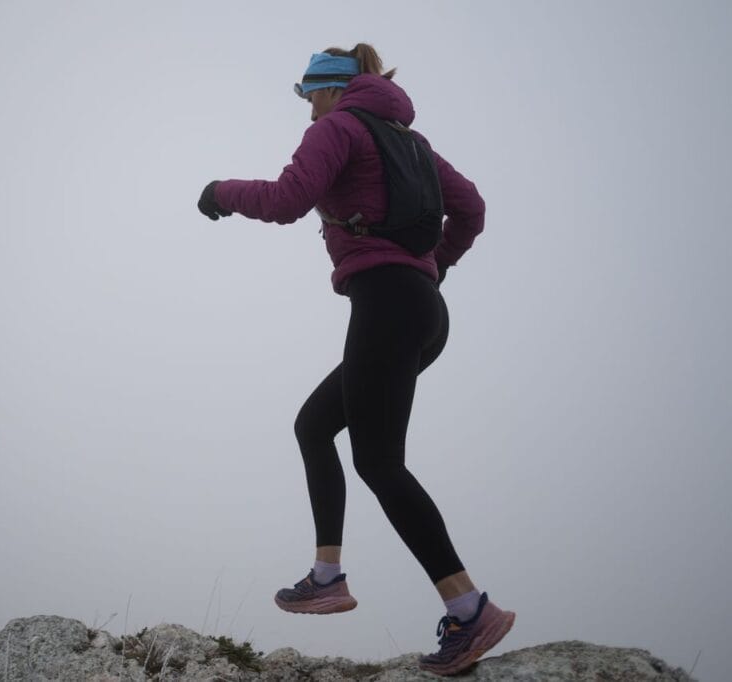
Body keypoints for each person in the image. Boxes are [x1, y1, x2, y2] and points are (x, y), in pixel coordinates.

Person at [196, 43, 515, 676]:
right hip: (420, 310)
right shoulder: (411, 142)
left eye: (307, 95)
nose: (307, 110)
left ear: (328, 89)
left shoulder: (338, 127)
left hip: (388, 306)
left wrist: (219, 192)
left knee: (379, 462)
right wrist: (434, 268)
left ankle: (471, 609)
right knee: (315, 425)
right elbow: (472, 206)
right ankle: (327, 576)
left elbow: (288, 199)